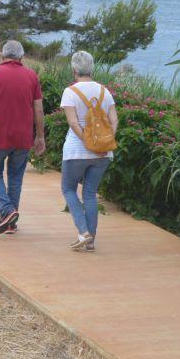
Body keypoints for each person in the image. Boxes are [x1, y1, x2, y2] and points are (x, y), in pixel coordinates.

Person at [0, 40, 45, 235]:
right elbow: (38, 109)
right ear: (21, 57)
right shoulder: (31, 76)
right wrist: (40, 136)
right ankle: (10, 223)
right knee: (15, 178)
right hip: (23, 139)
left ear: (2, 56)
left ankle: (7, 211)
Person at [59, 50, 117, 252]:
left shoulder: (70, 92)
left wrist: (88, 142)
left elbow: (73, 123)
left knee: (68, 189)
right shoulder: (104, 91)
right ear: (92, 68)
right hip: (102, 153)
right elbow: (114, 121)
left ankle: (83, 232)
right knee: (90, 193)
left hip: (76, 151)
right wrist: (104, 142)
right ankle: (90, 241)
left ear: (74, 69)